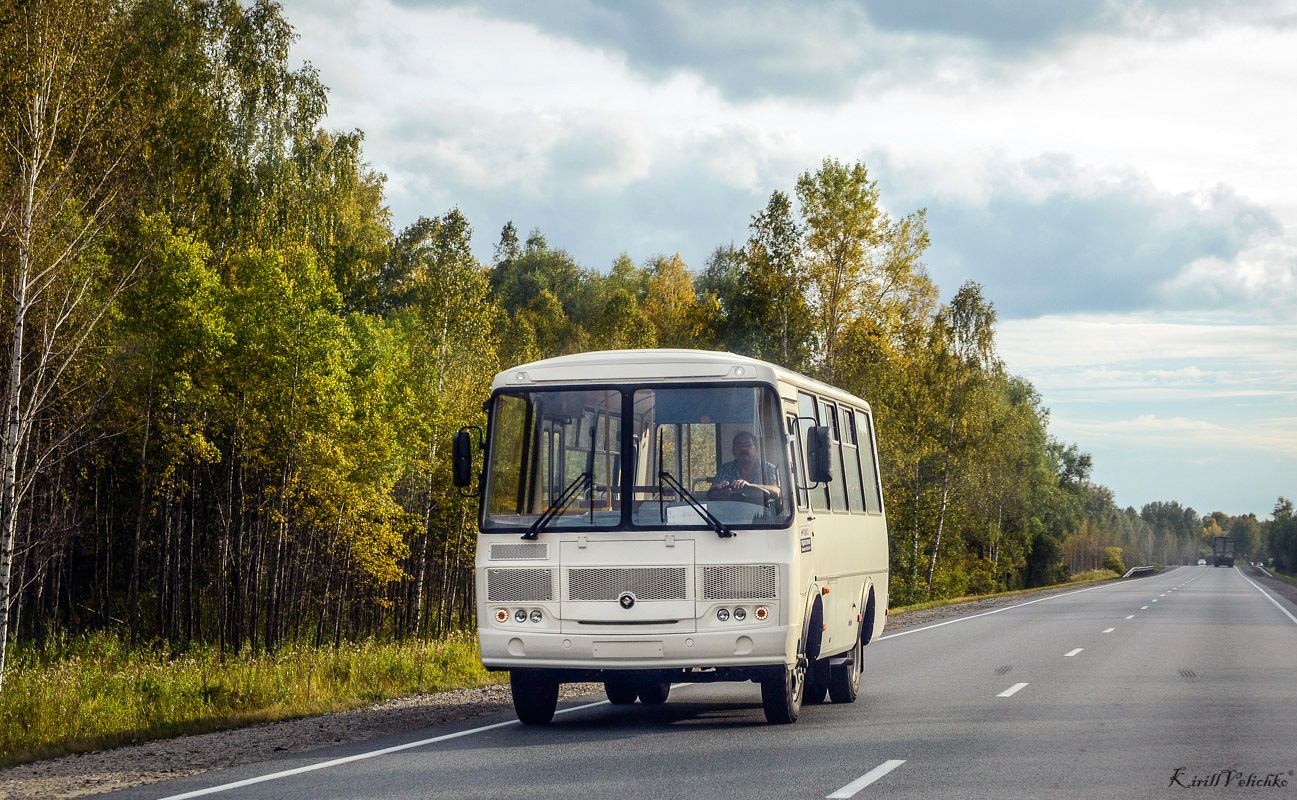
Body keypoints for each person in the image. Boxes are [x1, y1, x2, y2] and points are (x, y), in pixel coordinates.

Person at [708, 430, 781, 504]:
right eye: (739, 445)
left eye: (748, 445)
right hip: (733, 514)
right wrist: (720, 491)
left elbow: (776, 492)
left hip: (763, 514)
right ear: (733, 451)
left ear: (756, 450)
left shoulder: (768, 468)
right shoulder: (725, 469)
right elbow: (711, 494)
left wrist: (750, 486)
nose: (743, 448)